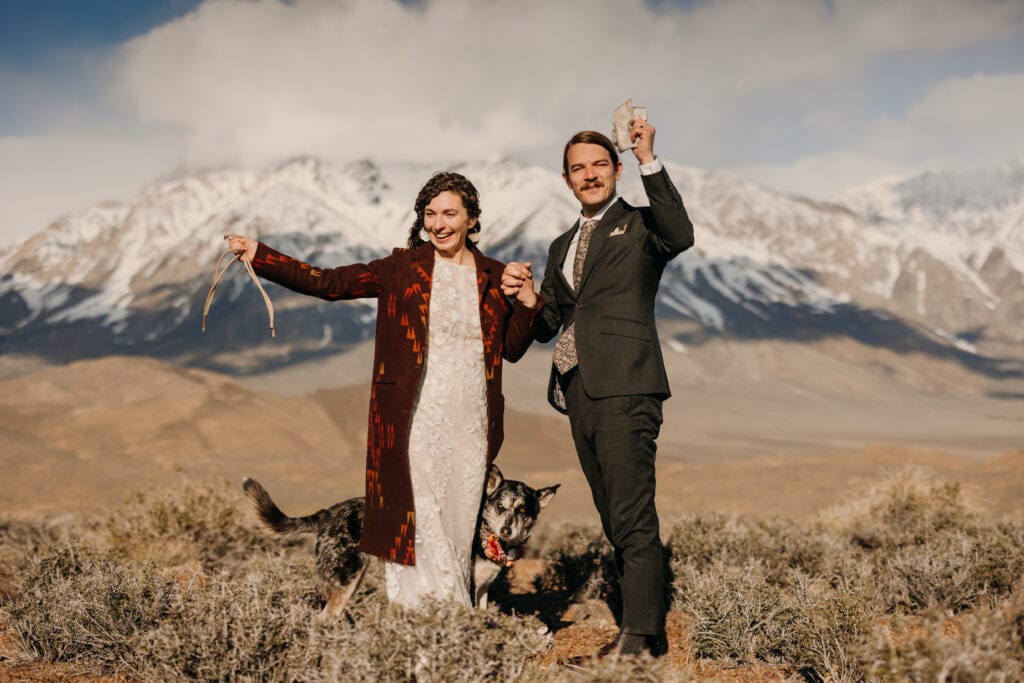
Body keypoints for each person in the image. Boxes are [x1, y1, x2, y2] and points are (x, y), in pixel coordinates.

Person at [229, 171, 542, 607]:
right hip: (415, 421)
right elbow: (328, 283)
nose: (439, 223)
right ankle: (424, 626)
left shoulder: (493, 276)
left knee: (457, 528)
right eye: (430, 214)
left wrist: (527, 300)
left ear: (472, 219)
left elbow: (512, 349)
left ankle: (453, 633)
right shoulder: (401, 269)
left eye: (450, 213)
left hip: (472, 426)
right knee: (423, 529)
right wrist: (261, 255)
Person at [502, 120, 694, 657]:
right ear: (566, 180)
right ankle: (643, 629)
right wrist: (526, 298)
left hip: (628, 384)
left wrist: (649, 158)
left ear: (616, 169)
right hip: (579, 391)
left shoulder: (641, 226)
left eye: (599, 165)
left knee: (632, 513)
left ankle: (640, 639)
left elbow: (681, 234)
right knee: (613, 512)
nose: (589, 175)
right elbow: (549, 325)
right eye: (578, 168)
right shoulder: (562, 244)